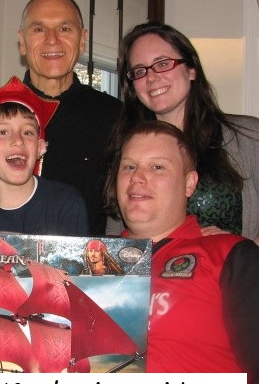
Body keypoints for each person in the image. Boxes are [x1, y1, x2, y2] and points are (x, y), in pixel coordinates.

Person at [99, 120, 259, 384]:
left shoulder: (229, 255)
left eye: (157, 167)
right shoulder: (85, 263)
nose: (137, 177)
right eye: (129, 166)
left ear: (189, 183)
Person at [106, 21, 259, 243]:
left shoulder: (248, 137)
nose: (151, 77)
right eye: (140, 71)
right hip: (156, 276)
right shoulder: (126, 146)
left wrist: (241, 248)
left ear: (191, 70)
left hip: (233, 274)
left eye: (163, 64)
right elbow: (116, 236)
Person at [18, 0, 122, 235]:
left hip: (87, 269)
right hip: (2, 265)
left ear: (82, 40)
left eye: (64, 29)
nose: (52, 40)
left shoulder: (116, 117)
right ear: (22, 41)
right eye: (39, 29)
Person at [0, 76, 89, 236]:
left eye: (27, 132)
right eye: (3, 132)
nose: (18, 140)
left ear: (40, 147)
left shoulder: (67, 204)